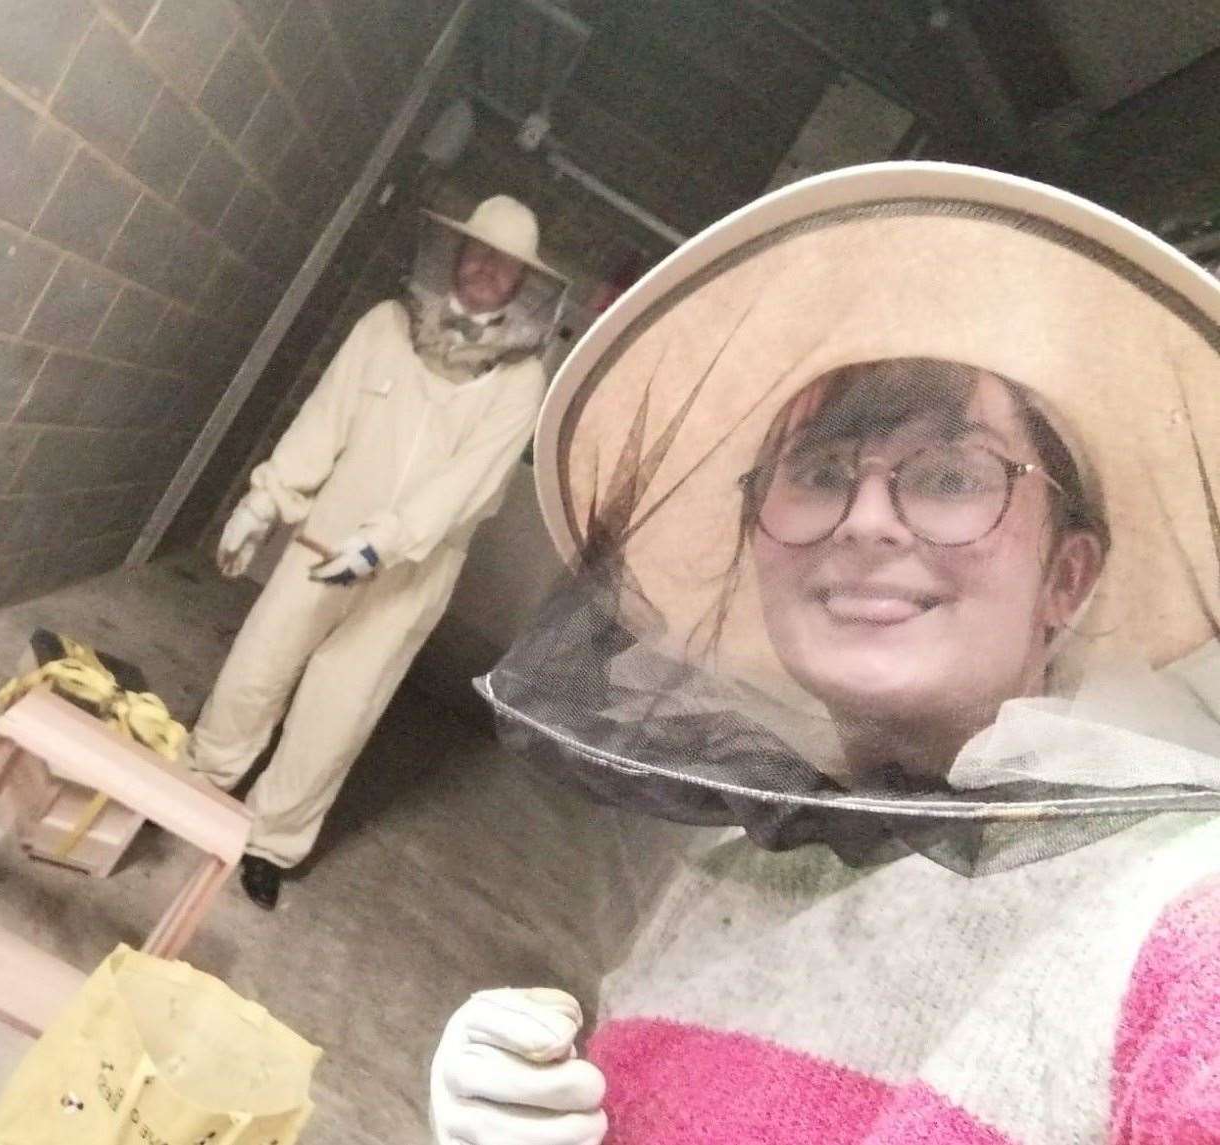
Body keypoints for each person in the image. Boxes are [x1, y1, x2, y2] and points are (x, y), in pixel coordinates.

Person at [429, 163, 1220, 1143]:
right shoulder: (746, 856)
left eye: (948, 474)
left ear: (1067, 575)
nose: (867, 519)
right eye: (820, 469)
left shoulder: (1177, 913)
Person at [189, 195, 568, 909]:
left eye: (507, 265)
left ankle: (271, 844)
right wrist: (264, 500)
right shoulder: (384, 328)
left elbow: (469, 484)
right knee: (257, 664)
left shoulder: (520, 381)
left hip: (410, 575)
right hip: (322, 540)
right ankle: (199, 782)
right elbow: (323, 420)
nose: (487, 270)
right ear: (453, 253)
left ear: (525, 284)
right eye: (478, 251)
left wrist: (385, 542)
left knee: (340, 707)